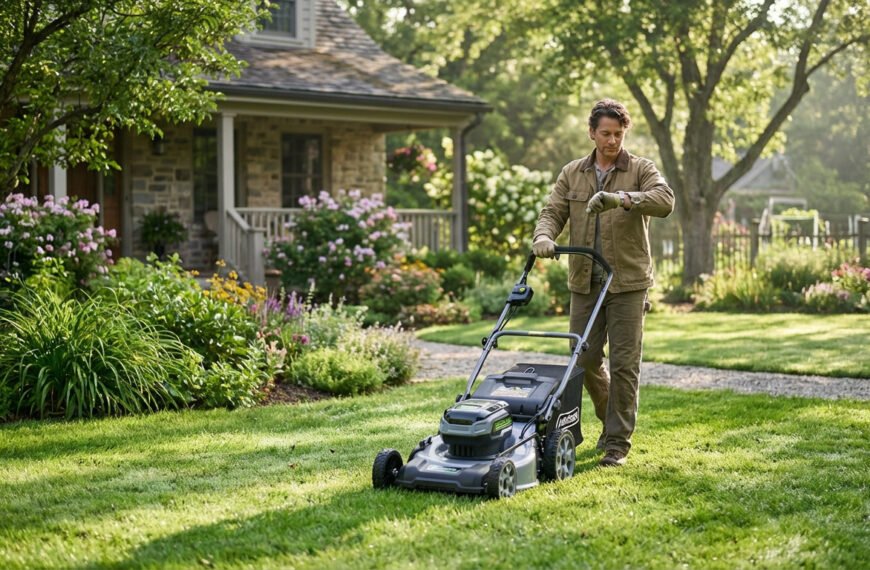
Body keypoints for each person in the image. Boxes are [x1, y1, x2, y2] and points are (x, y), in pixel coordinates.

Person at [532, 99, 674, 467]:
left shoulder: (640, 168)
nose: (612, 141)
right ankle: (610, 421)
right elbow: (553, 211)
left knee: (625, 364)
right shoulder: (572, 173)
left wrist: (621, 199)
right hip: (585, 280)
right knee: (584, 358)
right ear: (592, 133)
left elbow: (664, 201)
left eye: (619, 134)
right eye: (606, 134)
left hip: (627, 282)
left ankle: (616, 445)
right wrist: (543, 237)